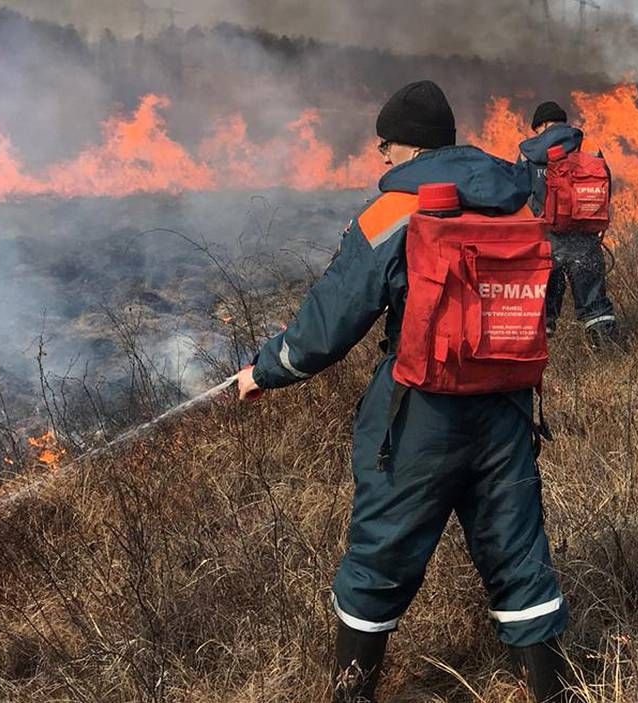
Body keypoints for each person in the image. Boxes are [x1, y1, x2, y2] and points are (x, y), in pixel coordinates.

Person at [235, 80, 573, 703]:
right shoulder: (517, 202)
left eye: (384, 148)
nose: (381, 161)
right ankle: (555, 693)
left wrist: (267, 369)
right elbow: (547, 296)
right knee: (519, 552)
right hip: (506, 408)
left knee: (380, 555)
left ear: (405, 146)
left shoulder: (395, 211)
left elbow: (328, 323)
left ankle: (352, 693)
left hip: (421, 412)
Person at [517, 101, 620, 346]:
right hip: (585, 238)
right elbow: (605, 190)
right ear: (562, 122)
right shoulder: (588, 148)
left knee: (542, 312)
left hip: (545, 241)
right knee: (596, 308)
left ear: (541, 125)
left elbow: (518, 192)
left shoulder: (528, 153)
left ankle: (540, 366)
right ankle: (609, 361)